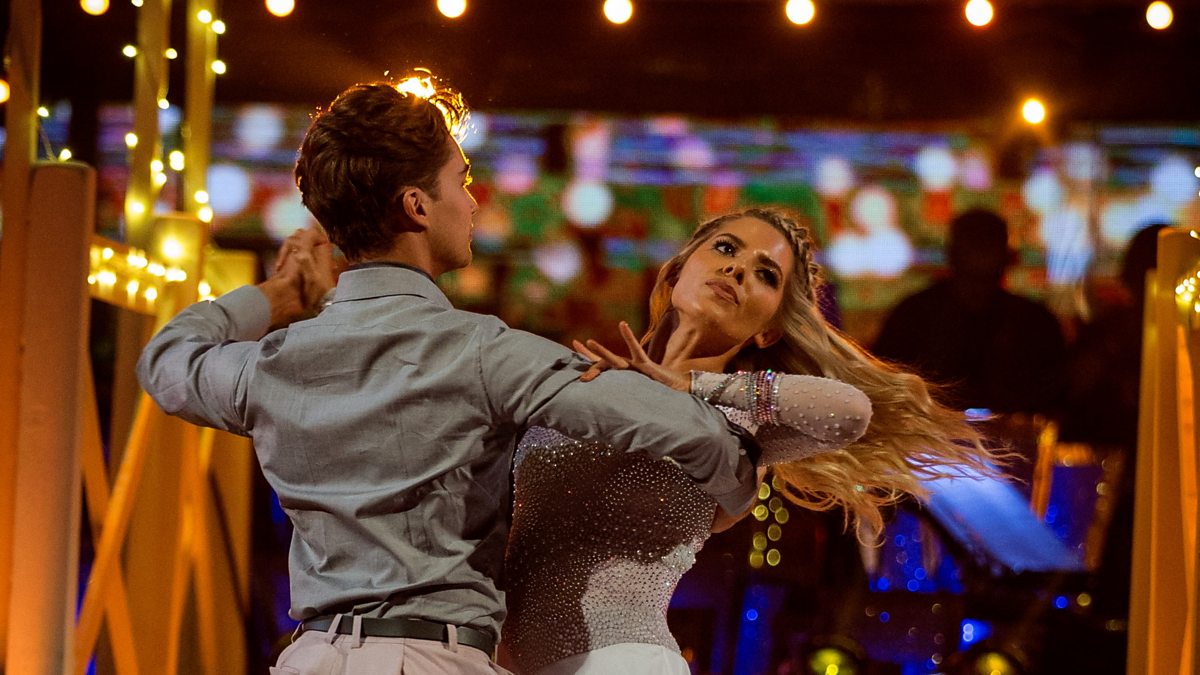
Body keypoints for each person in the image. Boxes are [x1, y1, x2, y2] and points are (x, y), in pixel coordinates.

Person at [136, 77, 763, 675]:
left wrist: (277, 297)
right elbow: (688, 432)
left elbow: (165, 361)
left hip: (311, 658)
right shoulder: (484, 352)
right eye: (460, 181)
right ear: (416, 206)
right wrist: (738, 481)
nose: (473, 200)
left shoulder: (271, 364)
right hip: (431, 658)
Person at [502, 207, 1000, 675]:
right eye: (725, 249)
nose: (738, 270)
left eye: (766, 275)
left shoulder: (739, 424)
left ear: (768, 332)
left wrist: (696, 386)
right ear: (676, 271)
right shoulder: (580, 381)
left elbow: (850, 412)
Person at [872, 207, 1067, 416]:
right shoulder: (912, 316)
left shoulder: (1034, 322)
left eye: (987, 244)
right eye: (975, 243)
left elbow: (1053, 392)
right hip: (932, 429)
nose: (981, 253)